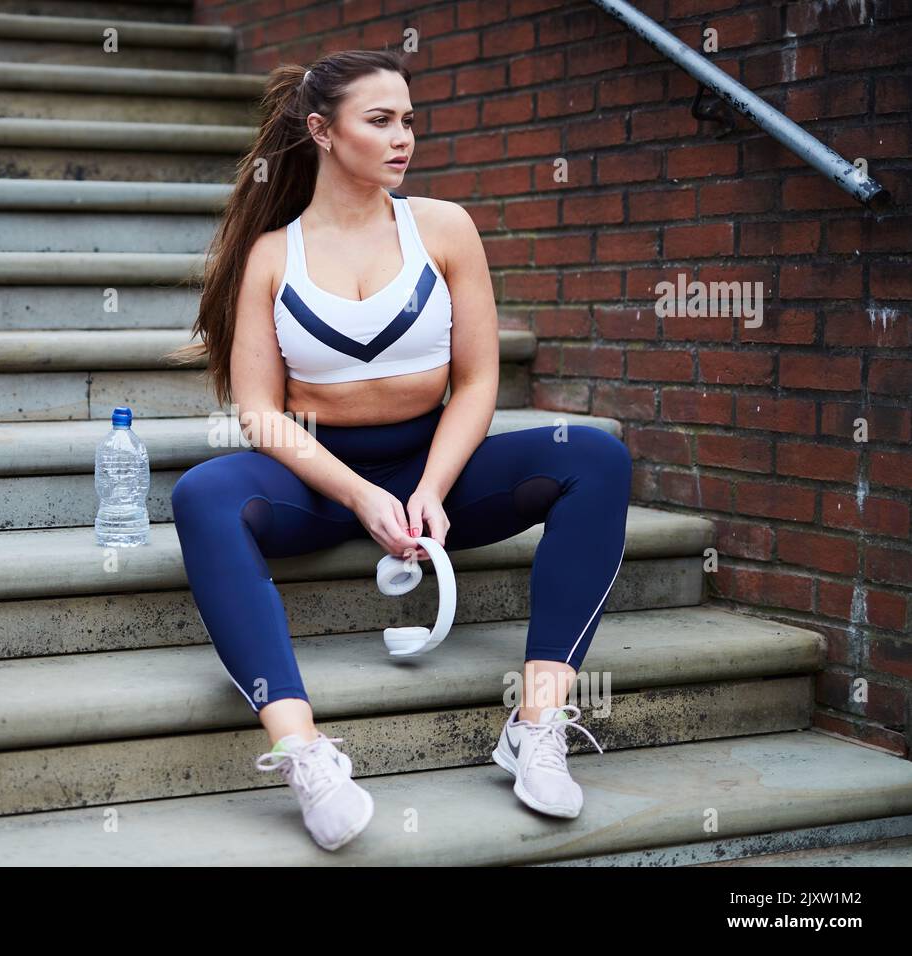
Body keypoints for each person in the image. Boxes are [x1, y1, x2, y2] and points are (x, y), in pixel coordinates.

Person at [165, 49, 629, 852]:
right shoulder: (274, 254)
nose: (403, 136)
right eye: (379, 120)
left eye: (409, 119)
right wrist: (359, 495)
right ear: (321, 130)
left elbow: (480, 382)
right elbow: (260, 414)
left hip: (433, 465)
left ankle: (538, 723)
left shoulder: (443, 227)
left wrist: (431, 486)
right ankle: (303, 751)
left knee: (594, 457)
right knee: (202, 494)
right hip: (315, 478)